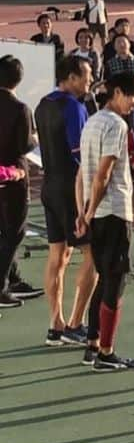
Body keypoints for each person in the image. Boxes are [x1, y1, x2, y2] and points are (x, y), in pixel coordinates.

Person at [78, 72, 134, 371]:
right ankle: (106, 351)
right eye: (131, 95)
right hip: (113, 209)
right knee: (115, 280)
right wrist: (89, 211)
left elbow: (83, 174)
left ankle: (93, 342)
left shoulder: (92, 121)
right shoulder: (117, 124)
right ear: (117, 92)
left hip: (98, 212)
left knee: (104, 277)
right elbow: (103, 173)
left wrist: (84, 211)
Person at [35, 56, 97, 343]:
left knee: (57, 255)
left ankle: (55, 323)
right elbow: (79, 151)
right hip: (71, 188)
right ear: (71, 77)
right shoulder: (74, 106)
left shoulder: (43, 104)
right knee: (91, 254)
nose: (91, 79)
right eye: (87, 74)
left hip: (49, 185)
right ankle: (75, 323)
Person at [0, 56, 38, 310]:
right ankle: (2, 284)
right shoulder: (21, 109)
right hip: (14, 175)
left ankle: (12, 278)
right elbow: (25, 145)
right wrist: (34, 138)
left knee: (4, 230)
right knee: (15, 231)